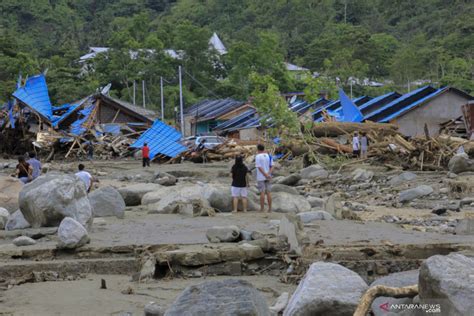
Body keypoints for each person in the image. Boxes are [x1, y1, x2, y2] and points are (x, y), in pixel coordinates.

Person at [255, 144, 272, 213]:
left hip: (261, 176)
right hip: (268, 176)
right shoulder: (268, 155)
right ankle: (270, 209)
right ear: (263, 148)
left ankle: (262, 208)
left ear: (258, 149)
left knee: (262, 192)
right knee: (268, 192)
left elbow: (259, 167)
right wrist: (268, 174)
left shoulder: (258, 156)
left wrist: (265, 174)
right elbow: (272, 166)